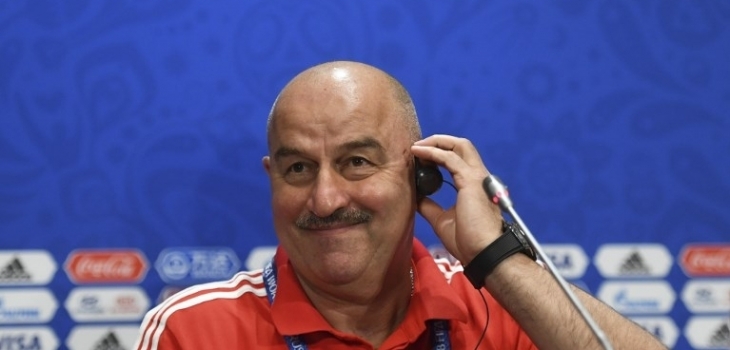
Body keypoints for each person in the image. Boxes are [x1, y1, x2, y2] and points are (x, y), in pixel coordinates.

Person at [134, 61, 666, 350]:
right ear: (272, 178)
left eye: (357, 162)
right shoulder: (193, 330)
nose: (325, 199)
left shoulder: (497, 310)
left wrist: (499, 262)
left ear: (419, 176)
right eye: (298, 168)